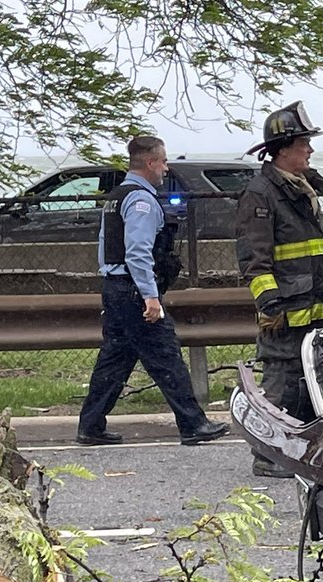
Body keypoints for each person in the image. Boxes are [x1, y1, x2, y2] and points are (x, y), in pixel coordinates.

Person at [76, 135, 228, 446]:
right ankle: (193, 424)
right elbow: (137, 252)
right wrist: (150, 296)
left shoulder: (117, 196)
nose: (165, 168)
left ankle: (90, 426)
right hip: (134, 292)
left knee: (115, 358)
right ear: (150, 163)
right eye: (163, 161)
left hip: (116, 288)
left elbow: (107, 248)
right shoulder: (142, 201)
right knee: (165, 354)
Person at [237, 101, 323, 477]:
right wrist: (269, 305)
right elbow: (254, 258)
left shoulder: (300, 189)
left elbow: (316, 249)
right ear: (283, 150)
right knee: (281, 381)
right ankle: (267, 456)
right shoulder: (262, 194)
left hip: (315, 304)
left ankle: (300, 450)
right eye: (303, 145)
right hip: (286, 309)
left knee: (305, 379)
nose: (310, 151)